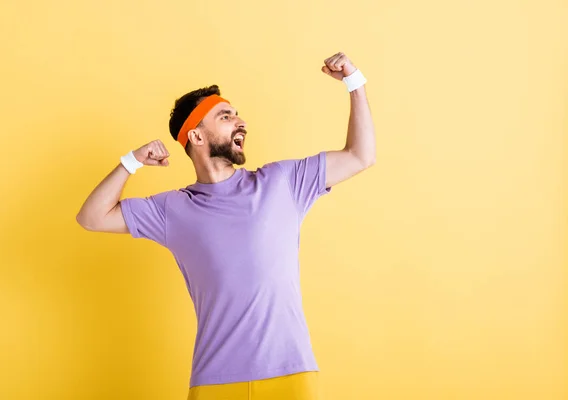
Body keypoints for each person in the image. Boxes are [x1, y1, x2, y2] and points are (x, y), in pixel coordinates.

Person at [76, 52, 375, 399]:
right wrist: (131, 162)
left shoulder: (283, 182)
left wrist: (355, 82)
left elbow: (360, 155)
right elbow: (91, 217)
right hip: (214, 383)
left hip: (291, 375)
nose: (241, 121)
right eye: (226, 116)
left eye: (236, 114)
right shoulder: (173, 209)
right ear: (197, 136)